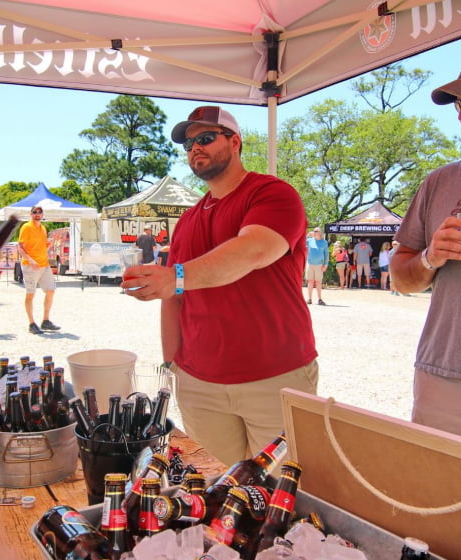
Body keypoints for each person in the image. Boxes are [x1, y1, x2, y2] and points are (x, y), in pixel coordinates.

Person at [120, 106, 318, 466]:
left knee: (279, 493)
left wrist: (175, 276)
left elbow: (253, 250)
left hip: (275, 376)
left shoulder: (273, 194)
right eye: (190, 143)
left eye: (206, 138)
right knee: (214, 490)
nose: (196, 147)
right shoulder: (188, 219)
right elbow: (174, 299)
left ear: (235, 141)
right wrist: (171, 365)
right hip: (199, 384)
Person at [390, 50, 461, 446]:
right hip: (444, 383)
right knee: (439, 501)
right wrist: (429, 258)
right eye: (458, 102)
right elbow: (401, 278)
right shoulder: (438, 182)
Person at [18, 206, 60, 335]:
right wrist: (31, 260)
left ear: (42, 214)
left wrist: (50, 243)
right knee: (30, 294)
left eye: (39, 212)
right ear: (30, 214)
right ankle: (31, 323)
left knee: (51, 291)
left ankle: (45, 321)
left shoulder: (42, 228)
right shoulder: (26, 227)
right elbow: (20, 248)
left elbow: (41, 246)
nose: (37, 214)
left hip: (44, 264)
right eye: (35, 212)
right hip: (31, 265)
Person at [305, 227, 329, 305]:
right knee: (310, 281)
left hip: (319, 264)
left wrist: (325, 264)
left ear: (320, 232)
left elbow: (326, 254)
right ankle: (309, 299)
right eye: (314, 231)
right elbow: (301, 242)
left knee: (318, 282)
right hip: (310, 263)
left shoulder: (324, 242)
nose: (315, 232)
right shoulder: (309, 241)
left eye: (316, 231)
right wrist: (308, 235)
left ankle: (319, 299)